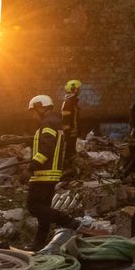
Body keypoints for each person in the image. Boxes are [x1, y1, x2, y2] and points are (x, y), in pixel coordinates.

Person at [25, 94, 80, 250]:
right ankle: (39, 243)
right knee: (44, 213)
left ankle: (69, 221)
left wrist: (31, 167)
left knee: (33, 206)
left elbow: (46, 148)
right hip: (51, 174)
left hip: (43, 174)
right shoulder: (56, 123)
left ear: (41, 107)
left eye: (33, 111)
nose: (33, 115)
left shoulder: (47, 123)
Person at [60, 79, 82, 170]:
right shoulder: (69, 102)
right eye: (78, 88)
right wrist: (68, 133)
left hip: (72, 132)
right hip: (69, 134)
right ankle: (66, 168)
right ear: (74, 89)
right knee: (68, 152)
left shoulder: (72, 101)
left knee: (71, 151)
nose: (79, 90)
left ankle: (71, 168)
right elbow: (66, 119)